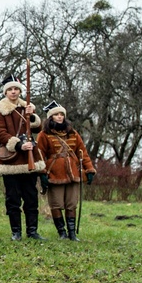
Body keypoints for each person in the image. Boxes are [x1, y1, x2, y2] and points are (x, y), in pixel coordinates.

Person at [0, 74, 46, 241]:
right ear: (5, 92)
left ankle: (32, 231)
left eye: (16, 89)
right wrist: (18, 145)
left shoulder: (27, 107)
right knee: (13, 198)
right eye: (10, 89)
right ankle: (16, 232)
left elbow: (38, 128)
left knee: (31, 197)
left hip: (29, 156)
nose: (13, 92)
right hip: (11, 159)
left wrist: (33, 116)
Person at [36, 101, 96, 241]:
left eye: (61, 114)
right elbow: (39, 155)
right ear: (51, 117)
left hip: (73, 172)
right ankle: (62, 232)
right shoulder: (44, 135)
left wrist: (89, 169)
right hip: (55, 173)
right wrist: (43, 173)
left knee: (71, 203)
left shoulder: (73, 133)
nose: (59, 117)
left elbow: (83, 153)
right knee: (56, 204)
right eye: (56, 114)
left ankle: (72, 234)